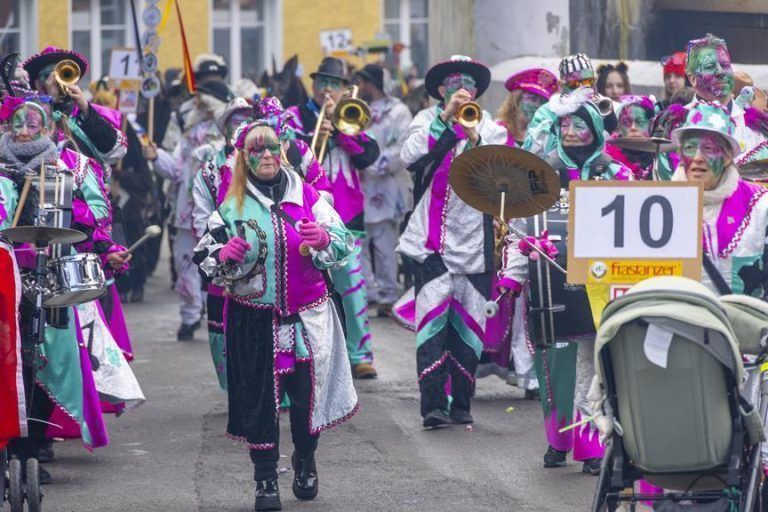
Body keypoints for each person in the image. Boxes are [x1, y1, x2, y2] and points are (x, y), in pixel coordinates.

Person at [193, 121, 358, 511]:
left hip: (308, 318)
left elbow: (344, 240)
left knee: (305, 396)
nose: (267, 155)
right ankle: (265, 478)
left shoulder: (309, 195)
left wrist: (323, 241)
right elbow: (203, 256)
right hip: (253, 320)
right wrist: (223, 256)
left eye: (272, 148)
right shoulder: (230, 206)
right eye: (257, 150)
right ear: (244, 157)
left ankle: (305, 459)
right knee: (261, 402)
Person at [502, 90, 631, 474]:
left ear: (595, 128)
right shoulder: (540, 177)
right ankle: (558, 440)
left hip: (600, 288)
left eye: (579, 124)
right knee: (555, 365)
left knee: (595, 367)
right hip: (550, 286)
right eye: (564, 124)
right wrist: (513, 275)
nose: (571, 131)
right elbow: (520, 233)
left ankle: (591, 446)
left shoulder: (616, 173)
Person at [398, 55, 508, 428]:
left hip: (476, 246)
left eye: (467, 83)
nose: (460, 88)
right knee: (431, 325)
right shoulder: (425, 121)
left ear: (477, 91)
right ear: (442, 90)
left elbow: (498, 171)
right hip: (431, 244)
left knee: (469, 328)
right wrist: (446, 119)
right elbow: (409, 157)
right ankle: (432, 405)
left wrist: (474, 136)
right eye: (452, 83)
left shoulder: (493, 127)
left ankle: (461, 403)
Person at [285, 57, 381, 379]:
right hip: (305, 215)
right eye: (323, 82)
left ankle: (360, 354)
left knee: (352, 285)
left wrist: (339, 132)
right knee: (304, 289)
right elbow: (292, 159)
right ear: (313, 85)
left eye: (335, 84)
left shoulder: (352, 117)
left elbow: (369, 156)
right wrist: (317, 131)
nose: (328, 90)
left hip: (347, 215)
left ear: (344, 89)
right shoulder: (294, 117)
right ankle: (309, 355)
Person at [146, 78, 233, 340]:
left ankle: (221, 312)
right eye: (197, 99)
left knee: (222, 262)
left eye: (203, 98)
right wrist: (156, 156)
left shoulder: (229, 131)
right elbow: (175, 168)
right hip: (186, 210)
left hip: (220, 209)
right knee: (186, 264)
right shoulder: (188, 132)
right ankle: (190, 316)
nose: (198, 103)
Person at [354, 64, 412, 317]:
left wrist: (374, 165)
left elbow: (404, 145)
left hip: (386, 187)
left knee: (385, 245)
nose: (360, 87)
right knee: (359, 243)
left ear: (372, 83)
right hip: (358, 186)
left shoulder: (398, 111)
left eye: (363, 82)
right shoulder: (356, 109)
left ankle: (389, 294)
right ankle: (367, 293)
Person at [22, 46, 127, 171]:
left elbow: (115, 153)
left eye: (64, 74)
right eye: (49, 76)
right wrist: (47, 103)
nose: (57, 81)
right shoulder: (27, 114)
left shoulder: (85, 113)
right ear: (38, 84)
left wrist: (86, 108)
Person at [685, 33, 765, 159]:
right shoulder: (678, 124)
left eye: (724, 65)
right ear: (693, 79)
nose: (720, 72)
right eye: (710, 67)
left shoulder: (756, 126)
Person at [524, 53, 618, 157]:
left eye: (587, 82)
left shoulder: (605, 104)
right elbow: (534, 150)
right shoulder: (546, 111)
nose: (581, 88)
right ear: (562, 85)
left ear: (594, 81)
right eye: (574, 84)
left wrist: (609, 122)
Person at [497, 68, 558, 147]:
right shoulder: (497, 132)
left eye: (542, 102)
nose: (537, 105)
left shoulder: (547, 138)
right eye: (532, 98)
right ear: (516, 99)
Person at [606, 95, 658, 180]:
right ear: (619, 127)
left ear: (650, 124)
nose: (633, 127)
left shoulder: (660, 159)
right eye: (626, 122)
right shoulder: (608, 161)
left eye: (640, 122)